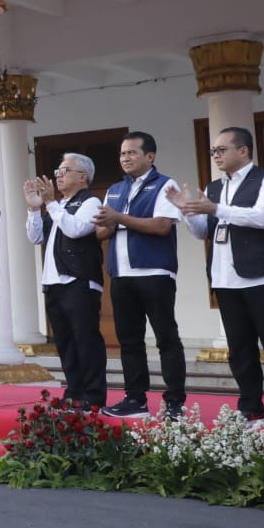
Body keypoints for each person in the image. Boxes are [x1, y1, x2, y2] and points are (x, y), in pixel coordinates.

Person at [169, 126, 264, 422]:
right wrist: (189, 212)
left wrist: (216, 208)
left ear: (243, 150)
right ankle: (250, 407)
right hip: (225, 278)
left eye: (221, 149)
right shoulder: (214, 187)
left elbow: (263, 218)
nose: (215, 155)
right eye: (213, 150)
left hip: (263, 276)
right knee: (239, 350)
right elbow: (205, 230)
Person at [94, 131, 186, 420]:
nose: (125, 158)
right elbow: (102, 231)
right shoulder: (115, 190)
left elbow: (161, 226)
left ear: (150, 156)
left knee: (165, 337)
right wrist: (107, 224)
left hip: (154, 272)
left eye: (132, 153)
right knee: (129, 340)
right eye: (122, 153)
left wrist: (118, 218)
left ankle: (174, 403)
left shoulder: (164, 185)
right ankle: (135, 399)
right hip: (120, 274)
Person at [24, 153, 107, 411]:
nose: (58, 176)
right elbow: (35, 236)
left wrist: (50, 204)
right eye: (58, 172)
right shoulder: (56, 206)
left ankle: (93, 395)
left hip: (78, 281)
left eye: (64, 171)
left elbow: (76, 230)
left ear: (83, 176)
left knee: (86, 340)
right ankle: (74, 391)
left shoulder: (90, 202)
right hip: (54, 283)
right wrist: (34, 208)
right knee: (65, 342)